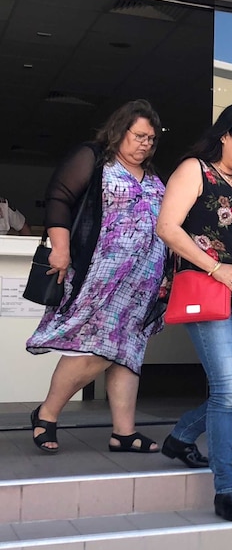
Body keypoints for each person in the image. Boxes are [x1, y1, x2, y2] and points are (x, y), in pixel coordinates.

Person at [27, 99, 166, 455]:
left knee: (127, 353)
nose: (145, 144)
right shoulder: (94, 158)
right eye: (138, 136)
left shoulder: (153, 177)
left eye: (151, 138)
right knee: (95, 349)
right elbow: (58, 197)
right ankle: (46, 414)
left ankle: (123, 433)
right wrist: (60, 248)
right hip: (100, 277)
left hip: (141, 287)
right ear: (119, 130)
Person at [156, 102, 232, 522]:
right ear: (225, 134)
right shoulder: (194, 171)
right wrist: (213, 266)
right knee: (226, 389)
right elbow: (166, 227)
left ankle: (182, 435)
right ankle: (226, 490)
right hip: (206, 294)